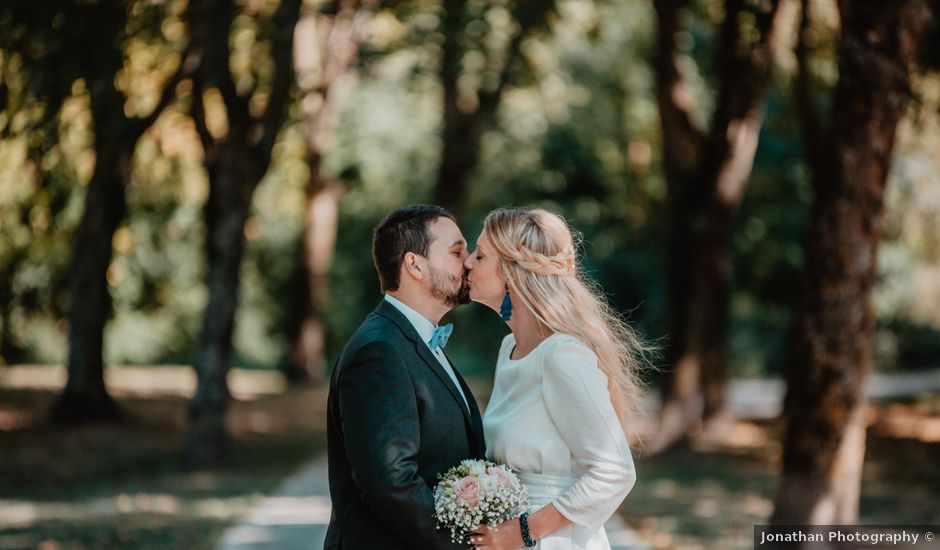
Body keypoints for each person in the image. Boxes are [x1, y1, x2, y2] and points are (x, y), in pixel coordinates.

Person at [463, 207, 647, 550]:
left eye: (481, 254)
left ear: (512, 274)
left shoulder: (562, 356)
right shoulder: (510, 349)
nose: (468, 263)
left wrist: (521, 532)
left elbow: (615, 472)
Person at [324, 205, 486, 550]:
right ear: (414, 265)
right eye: (457, 251)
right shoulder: (379, 351)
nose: (469, 262)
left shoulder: (415, 341)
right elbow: (390, 483)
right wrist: (469, 545)